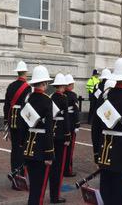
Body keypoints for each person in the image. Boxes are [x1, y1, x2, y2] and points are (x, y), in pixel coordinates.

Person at [92, 57, 122, 205]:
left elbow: (96, 128)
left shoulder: (104, 97)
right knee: (121, 198)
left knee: (106, 195)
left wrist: (97, 154)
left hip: (105, 154)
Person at [22, 65, 55, 205]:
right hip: (41, 148)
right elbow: (48, 129)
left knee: (33, 186)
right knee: (39, 188)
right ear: (44, 83)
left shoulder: (29, 99)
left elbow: (23, 124)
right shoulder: (47, 100)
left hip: (29, 147)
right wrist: (49, 153)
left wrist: (23, 145)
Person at [5, 60, 32, 185]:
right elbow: (27, 107)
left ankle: (14, 174)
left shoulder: (11, 86)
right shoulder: (27, 87)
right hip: (22, 121)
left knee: (14, 149)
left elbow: (6, 105)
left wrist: (6, 121)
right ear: (25, 72)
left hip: (12, 120)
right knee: (22, 149)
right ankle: (20, 176)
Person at [47, 73, 71, 203]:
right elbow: (66, 119)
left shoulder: (50, 97)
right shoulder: (64, 98)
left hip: (52, 134)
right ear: (61, 86)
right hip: (61, 135)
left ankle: (52, 194)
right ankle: (55, 196)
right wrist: (68, 135)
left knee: (52, 168)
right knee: (59, 167)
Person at [62, 74, 80, 177]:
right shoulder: (73, 95)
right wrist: (77, 124)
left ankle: (62, 167)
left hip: (62, 123)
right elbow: (76, 110)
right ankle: (68, 169)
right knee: (70, 149)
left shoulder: (61, 94)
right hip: (71, 123)